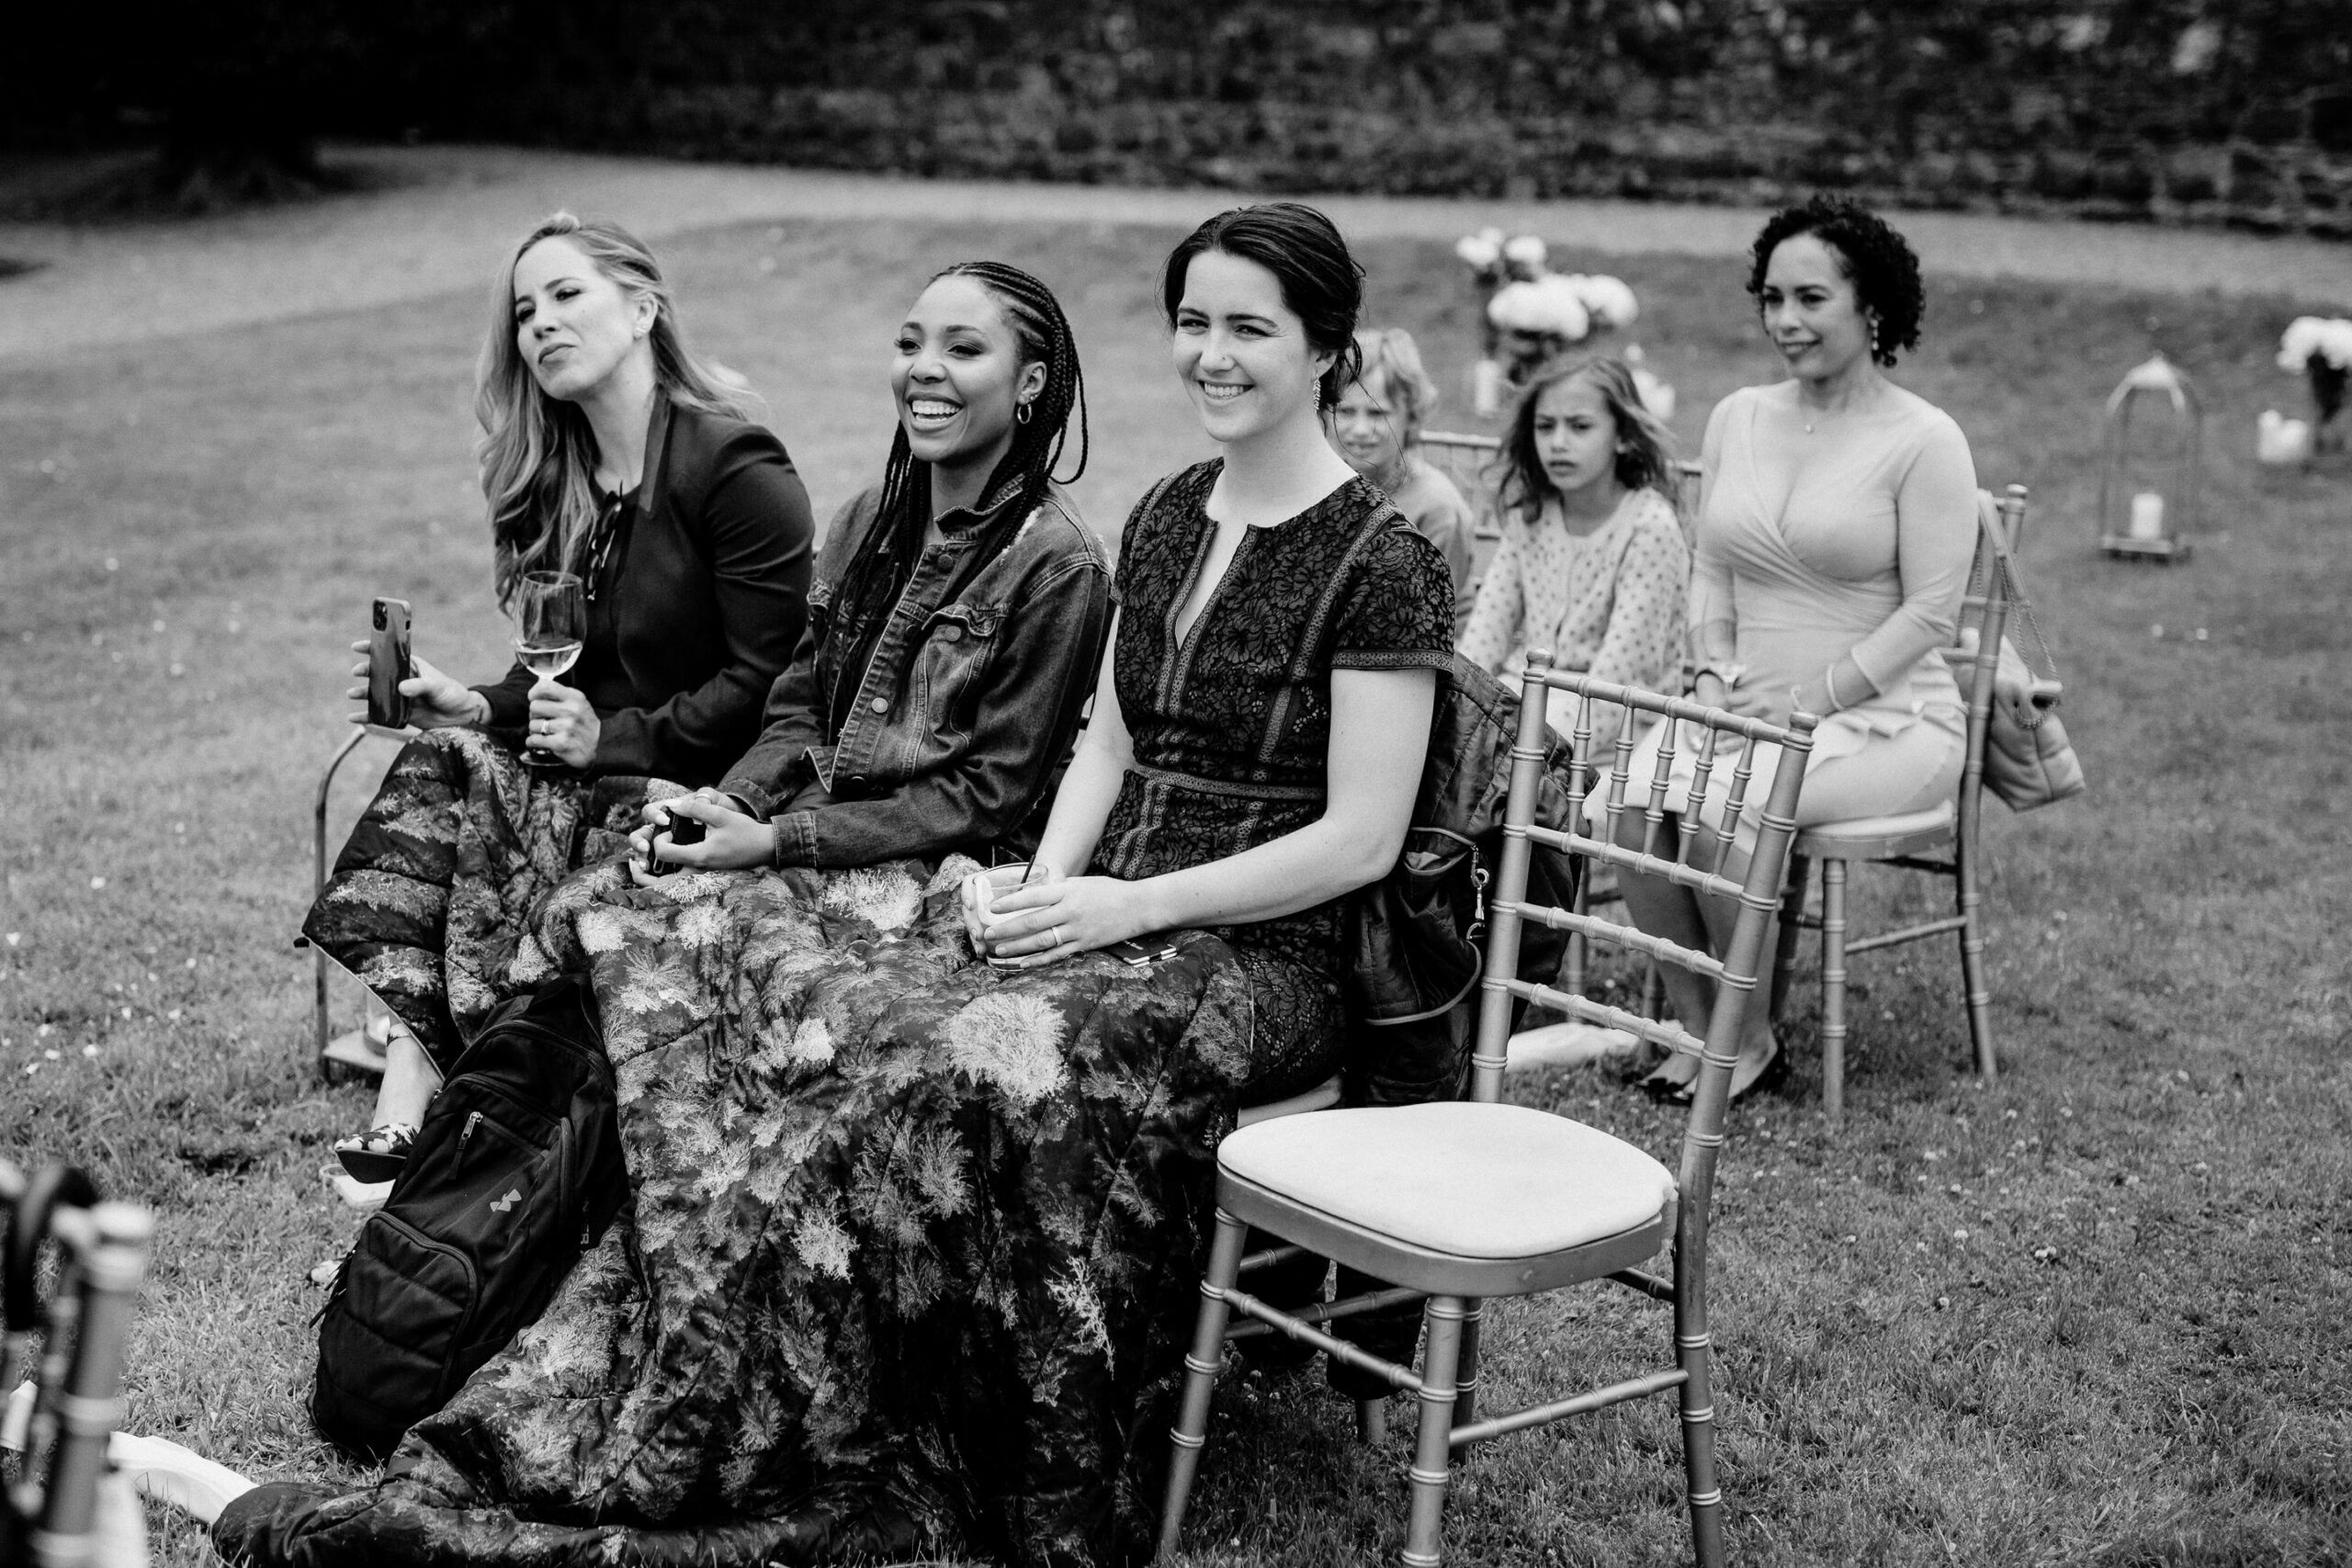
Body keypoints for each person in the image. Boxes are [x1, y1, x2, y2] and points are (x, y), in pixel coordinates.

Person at [200, 207, 1452, 1568]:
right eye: (1194, 322)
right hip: (1106, 901)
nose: (1210, 353)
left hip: (1271, 953)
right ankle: (719, 1367)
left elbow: (1361, 839)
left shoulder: (1381, 561)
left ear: (1326, 349)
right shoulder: (1166, 516)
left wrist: (1118, 906)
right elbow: (1109, 741)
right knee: (844, 1028)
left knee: (958, 1053)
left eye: (1248, 328)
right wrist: (1046, 885)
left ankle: (993, 1437)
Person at [308, 212, 815, 1183]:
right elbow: (558, 681)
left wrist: (610, 739)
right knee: (450, 754)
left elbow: (775, 686)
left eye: (565, 295)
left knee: (485, 789)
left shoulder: (733, 467)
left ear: (642, 308)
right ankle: (409, 1092)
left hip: (705, 789)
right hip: (590, 774)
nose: (538, 323)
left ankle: (432, 1081)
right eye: (523, 310)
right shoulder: (562, 483)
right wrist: (473, 706)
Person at [1617, 196, 1978, 1102]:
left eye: (1810, 298)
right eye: (1771, 298)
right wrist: (1707, 670)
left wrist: (1807, 702)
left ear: (1873, 308)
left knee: (1724, 804)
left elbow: (1932, 613)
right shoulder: (1738, 415)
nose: (1785, 321)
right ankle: (1706, 1025)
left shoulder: (1925, 440)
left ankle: (1739, 1045)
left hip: (1885, 718)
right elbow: (1708, 567)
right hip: (1740, 700)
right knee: (1622, 798)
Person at [635, 260, 1110, 881]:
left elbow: (990, 796)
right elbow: (801, 707)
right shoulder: (867, 518)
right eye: (909, 344)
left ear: (1030, 383)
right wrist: (731, 804)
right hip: (813, 828)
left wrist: (779, 840)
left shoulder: (1058, 563)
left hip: (947, 868)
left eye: (963, 348)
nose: (924, 366)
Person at [1456, 355, 1689, 755]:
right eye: (1545, 427)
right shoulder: (1531, 515)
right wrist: (1456, 711)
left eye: (1580, 426)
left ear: (1623, 436)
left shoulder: (1648, 528)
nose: (1558, 442)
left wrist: (1510, 744)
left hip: (1619, 731)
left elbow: (1614, 687)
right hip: (1525, 703)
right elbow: (1483, 641)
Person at [1329, 326, 1476, 633]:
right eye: (1346, 411)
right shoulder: (1327, 486)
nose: (1359, 429)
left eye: (1376, 414)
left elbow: (1423, 625)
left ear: (1411, 416)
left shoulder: (1437, 510)